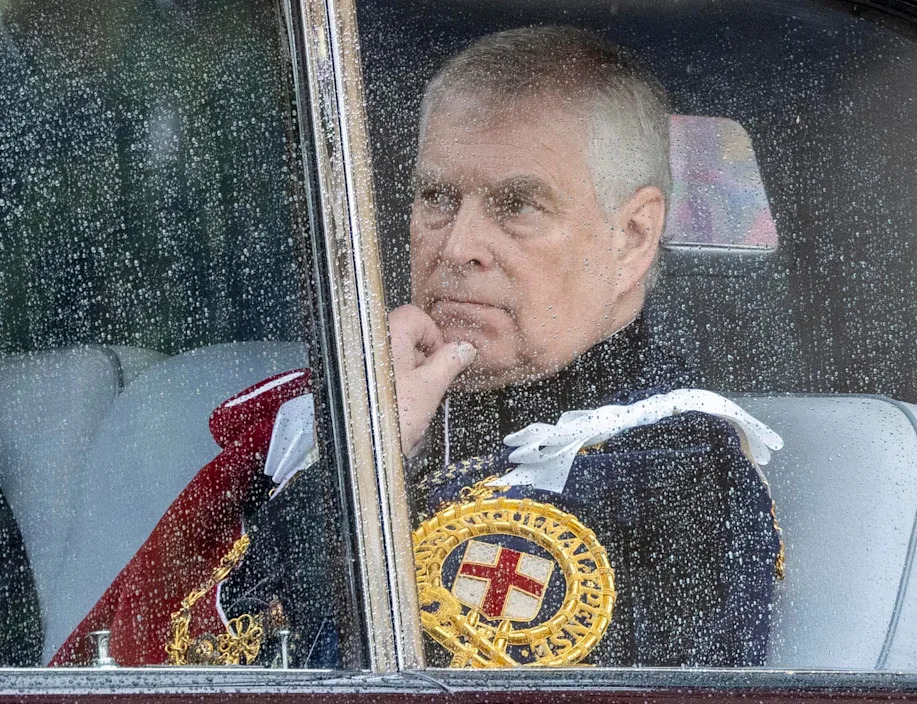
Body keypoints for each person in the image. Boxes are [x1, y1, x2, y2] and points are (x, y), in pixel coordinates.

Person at [52, 26, 782, 669]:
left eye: (516, 205)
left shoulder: (677, 480)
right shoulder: (343, 409)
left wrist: (362, 470)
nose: (456, 247)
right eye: (437, 198)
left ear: (630, 238)